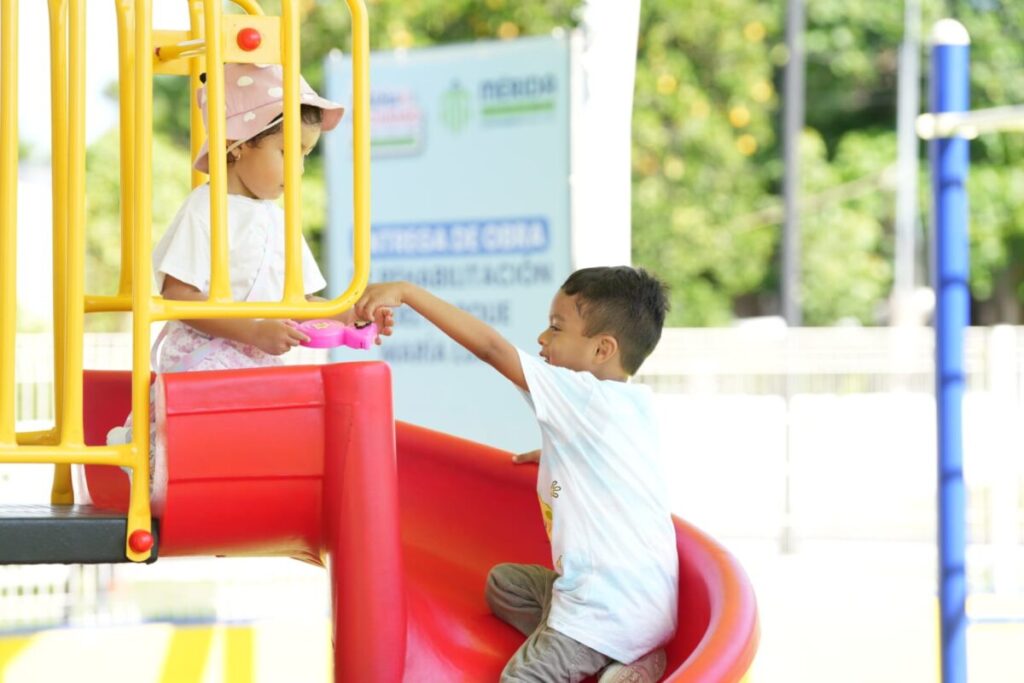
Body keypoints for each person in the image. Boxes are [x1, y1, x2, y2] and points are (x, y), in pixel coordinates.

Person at [356, 266, 678, 683]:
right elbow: (614, 467)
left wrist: (407, 293)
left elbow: (492, 349)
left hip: (604, 613)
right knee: (504, 585)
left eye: (556, 327)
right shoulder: (632, 407)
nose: (543, 338)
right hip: (650, 606)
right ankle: (626, 658)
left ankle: (608, 655)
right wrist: (554, 455)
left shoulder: (579, 396)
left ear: (602, 350)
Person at [108, 63, 391, 496]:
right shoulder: (205, 208)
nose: (296, 169)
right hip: (204, 354)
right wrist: (252, 330)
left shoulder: (280, 220)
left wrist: (351, 315)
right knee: (232, 410)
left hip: (256, 361)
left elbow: (303, 301)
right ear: (237, 145)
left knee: (283, 414)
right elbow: (179, 295)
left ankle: (234, 489)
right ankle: (150, 453)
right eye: (287, 151)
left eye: (306, 155)